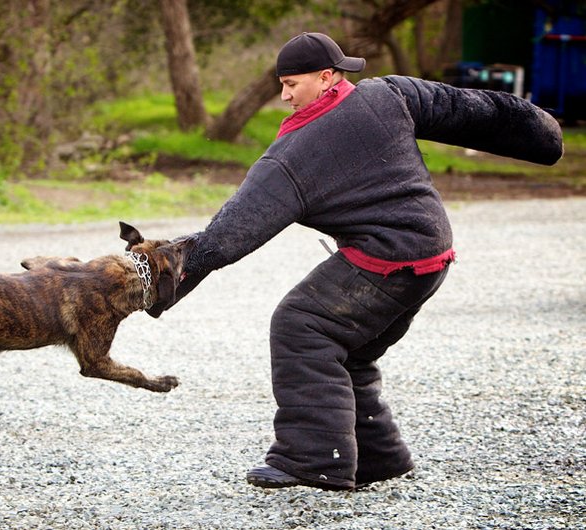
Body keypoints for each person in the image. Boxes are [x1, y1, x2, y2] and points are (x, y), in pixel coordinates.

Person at [147, 32, 564, 491]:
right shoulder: (389, 94)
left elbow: (228, 236)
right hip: (433, 251)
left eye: (292, 84)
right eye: (281, 85)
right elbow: (468, 110)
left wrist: (155, 284)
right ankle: (379, 457)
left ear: (327, 77)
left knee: (302, 325)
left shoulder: (294, 155)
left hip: (386, 260)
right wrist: (542, 136)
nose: (284, 95)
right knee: (354, 349)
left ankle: (312, 460)